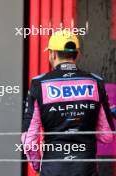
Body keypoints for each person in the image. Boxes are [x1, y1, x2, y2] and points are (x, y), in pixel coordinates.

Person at [21, 30, 115, 176]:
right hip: (86, 170)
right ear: (77, 54)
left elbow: (29, 141)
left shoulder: (38, 84)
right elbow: (107, 136)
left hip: (52, 169)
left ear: (52, 53)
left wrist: (38, 165)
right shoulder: (95, 82)